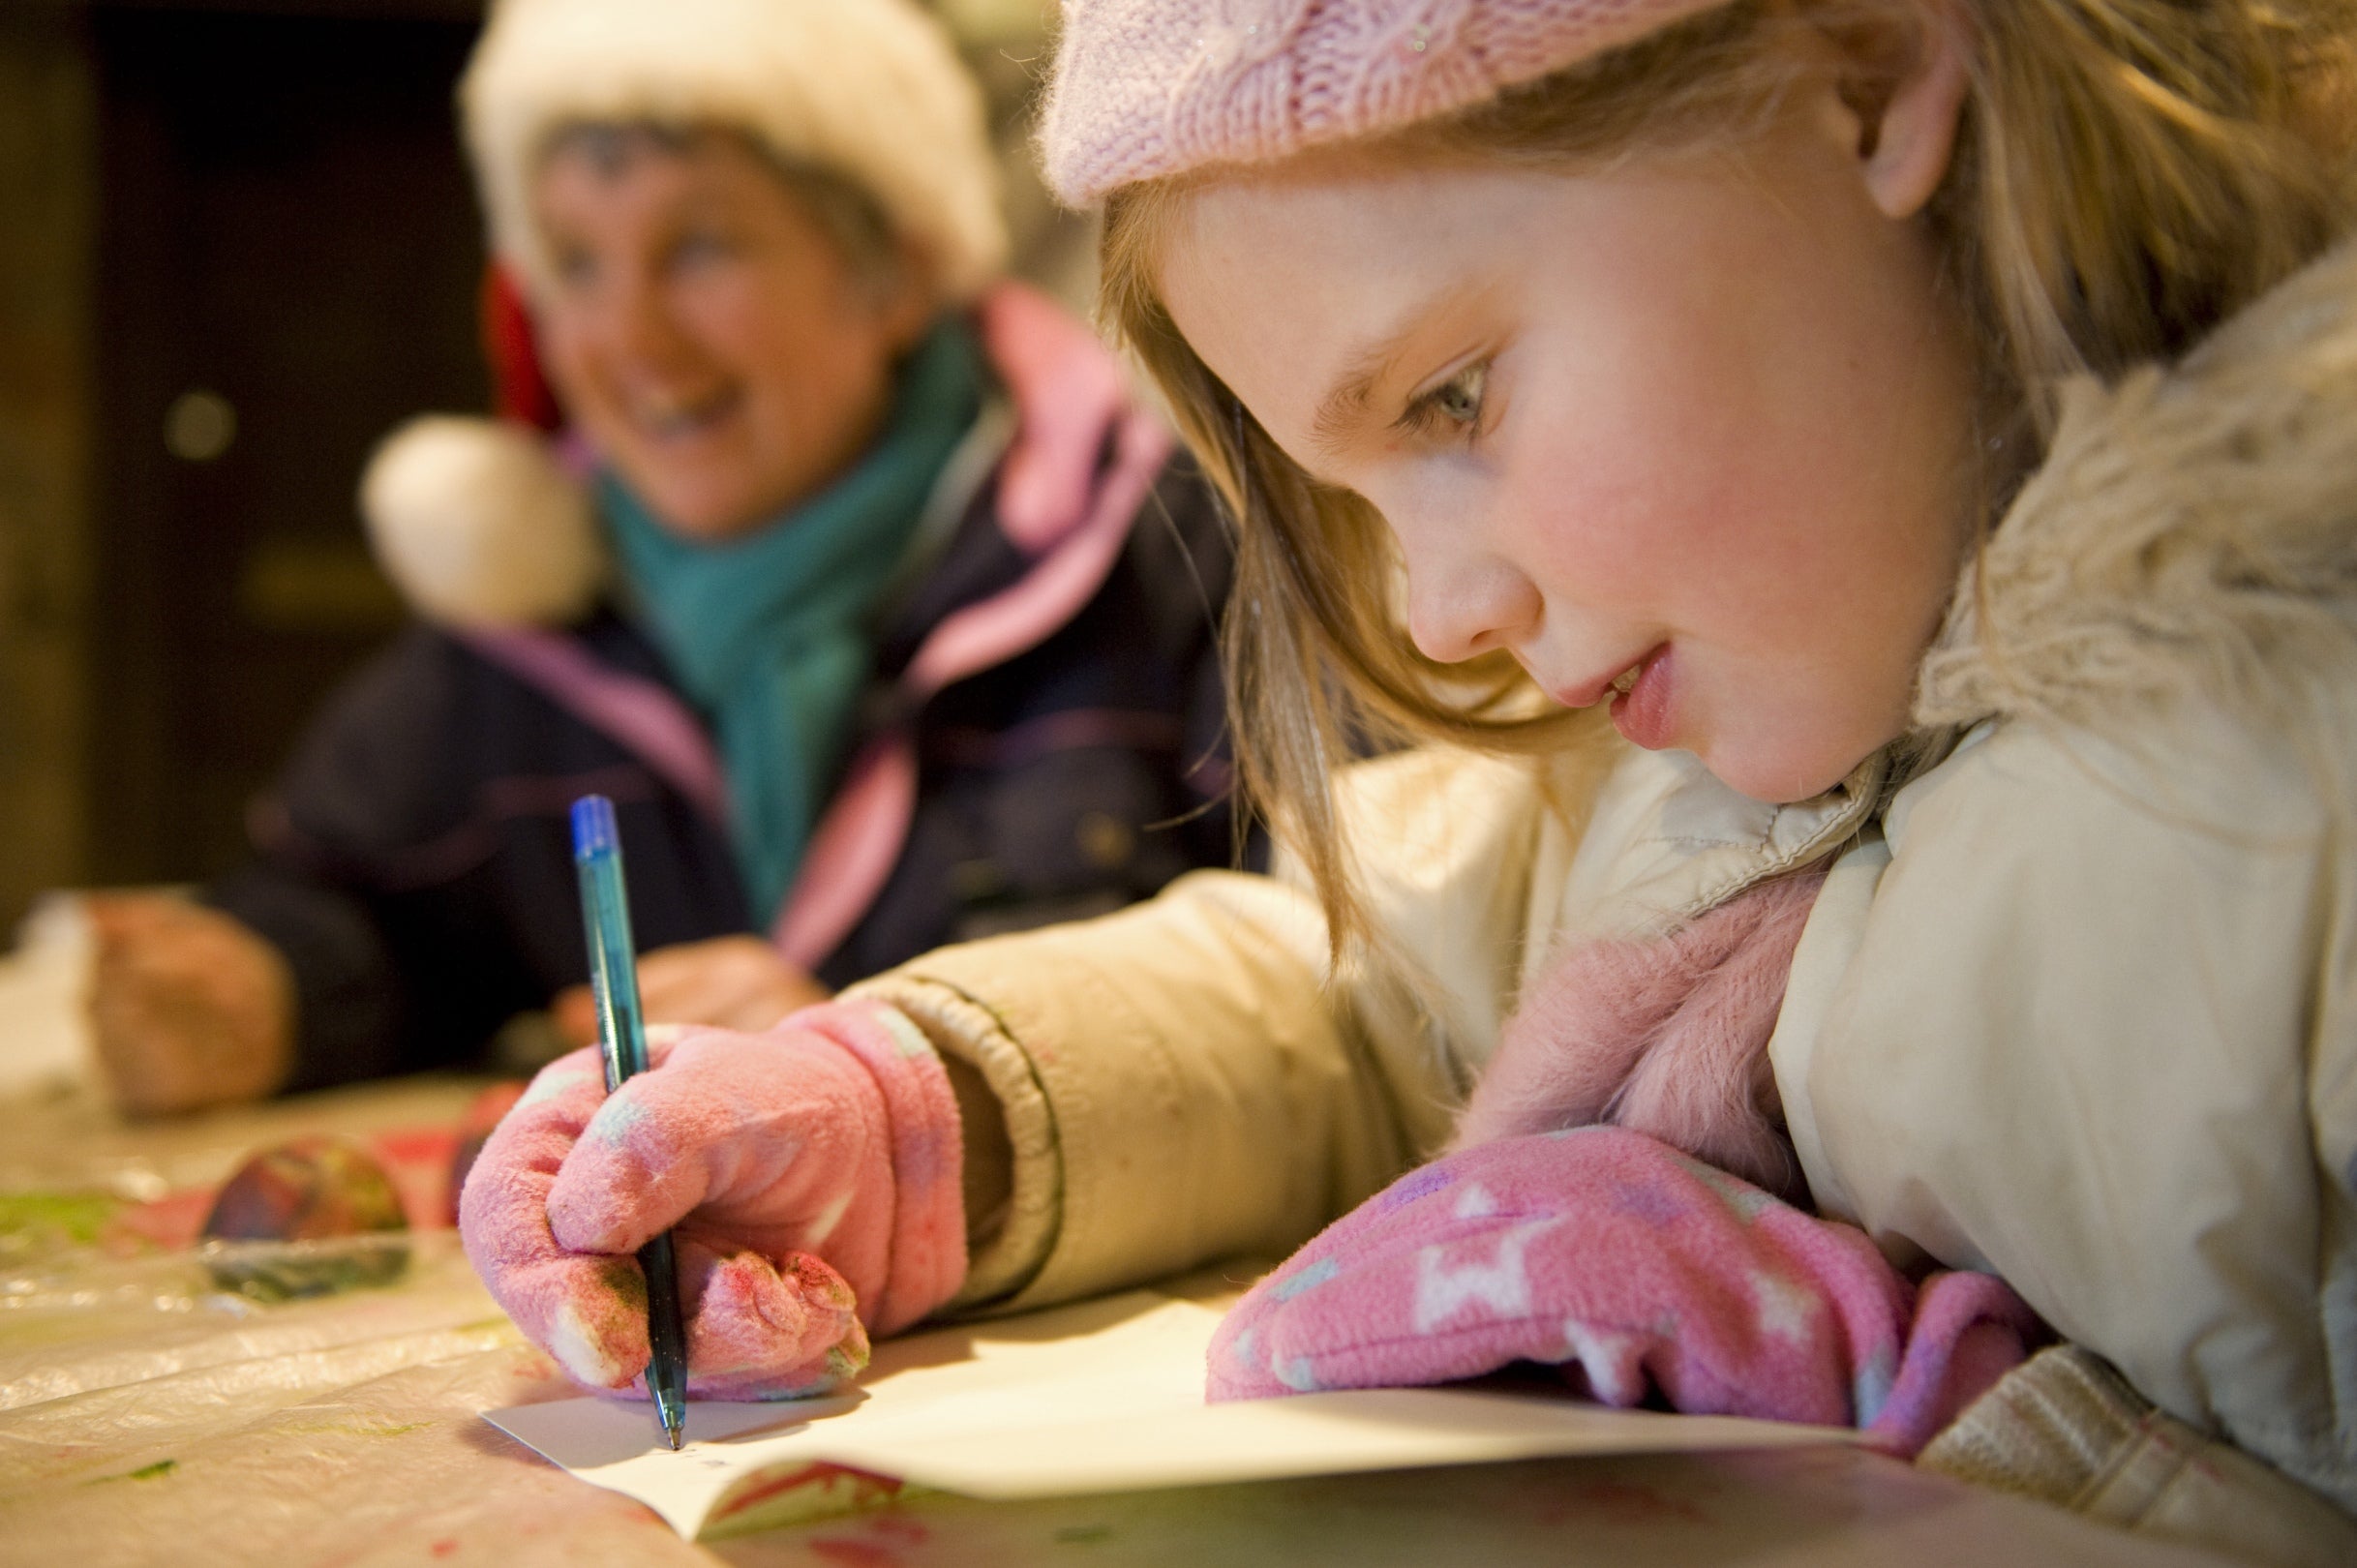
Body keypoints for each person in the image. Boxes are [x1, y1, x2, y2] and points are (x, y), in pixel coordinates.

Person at [461, 0, 2357, 1555]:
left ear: (1859, 78)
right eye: (1351, 498)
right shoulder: (1720, 726)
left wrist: (1946, 1446)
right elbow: (1360, 988)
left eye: (1451, 400)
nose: (1438, 613)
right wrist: (897, 1116)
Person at [84, 0, 1237, 1118]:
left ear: (890, 274)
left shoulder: (1170, 560)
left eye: (700, 247)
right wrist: (259, 993)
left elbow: (1324, 992)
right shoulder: (524, 623)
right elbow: (361, 915)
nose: (631, 343)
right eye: (576, 264)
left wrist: (899, 1060)